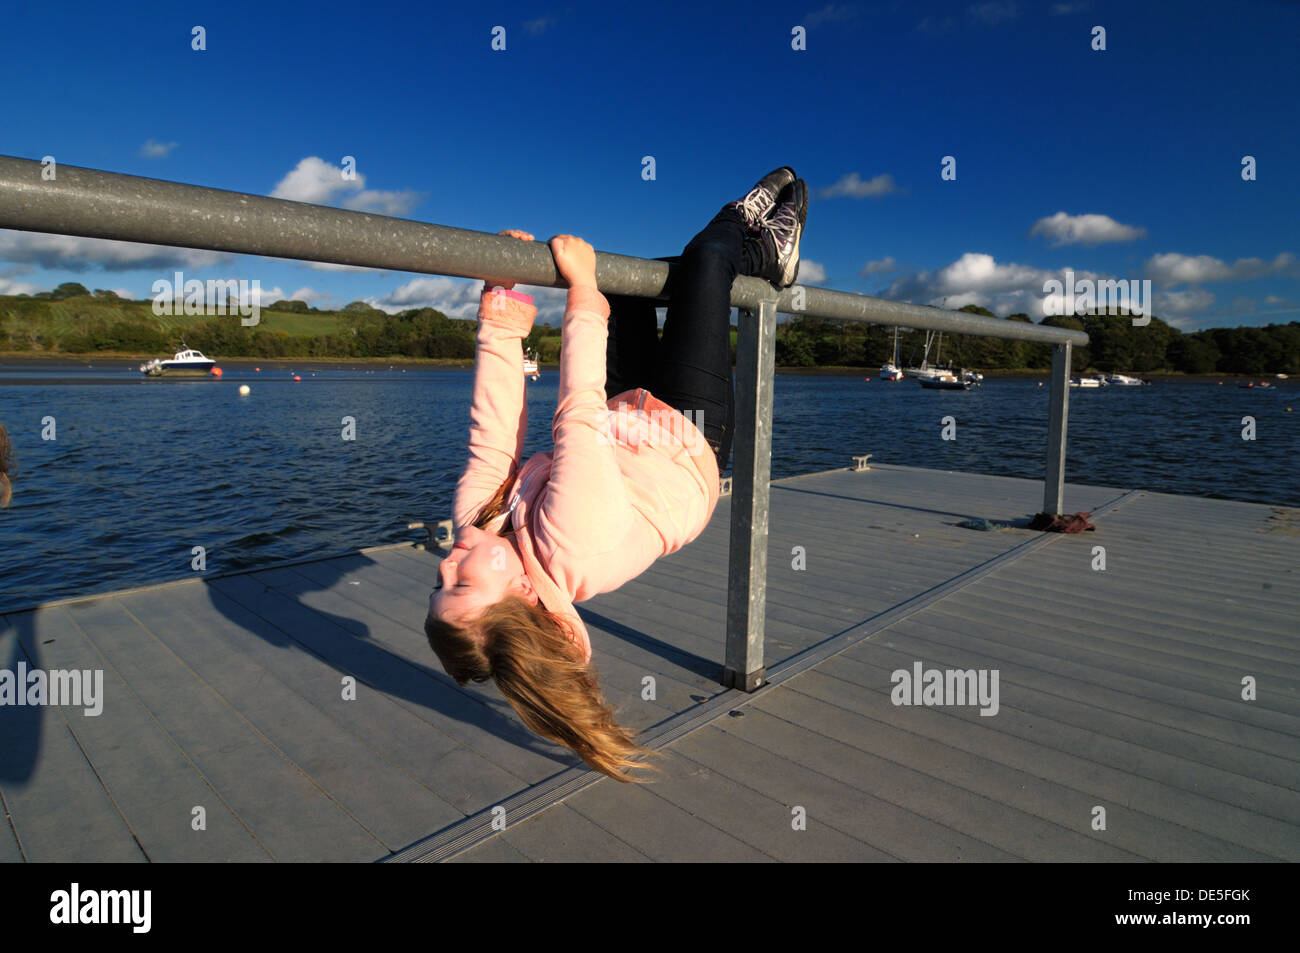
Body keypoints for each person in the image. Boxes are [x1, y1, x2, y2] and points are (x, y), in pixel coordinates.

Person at [424, 168, 808, 781]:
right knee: (708, 262)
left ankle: (755, 251)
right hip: (683, 441)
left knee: (630, 282)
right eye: (460, 586)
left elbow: (492, 430)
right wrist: (578, 294)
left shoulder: (479, 523)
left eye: (437, 585)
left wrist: (502, 298)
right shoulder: (576, 544)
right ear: (523, 595)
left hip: (623, 419)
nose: (444, 566)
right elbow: (575, 416)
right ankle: (762, 238)